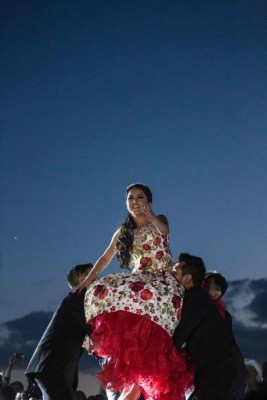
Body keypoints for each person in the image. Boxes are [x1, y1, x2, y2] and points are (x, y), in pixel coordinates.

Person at [76, 183, 192, 400]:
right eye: (131, 198)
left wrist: (153, 216)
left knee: (151, 320)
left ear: (148, 201)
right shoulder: (123, 231)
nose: (135, 202)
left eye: (140, 197)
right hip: (139, 279)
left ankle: (137, 383)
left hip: (161, 280)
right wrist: (88, 280)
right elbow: (105, 258)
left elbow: (165, 231)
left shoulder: (160, 220)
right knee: (104, 289)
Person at [173, 253, 246, 400]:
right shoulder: (211, 308)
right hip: (231, 375)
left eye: (206, 284)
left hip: (219, 376)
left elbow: (179, 337)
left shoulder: (197, 297)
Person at [25, 263, 94, 400]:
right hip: (52, 369)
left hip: (52, 370)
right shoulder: (78, 298)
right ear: (82, 277)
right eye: (93, 274)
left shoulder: (77, 299)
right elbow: (94, 330)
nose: (97, 278)